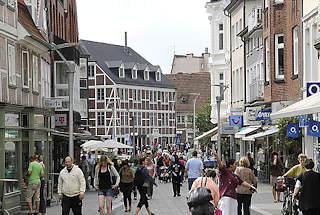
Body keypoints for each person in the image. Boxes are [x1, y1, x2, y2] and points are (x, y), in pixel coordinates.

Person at [212, 151, 256, 215]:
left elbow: (242, 182)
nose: (236, 166)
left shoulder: (234, 176)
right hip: (225, 197)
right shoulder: (225, 172)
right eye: (235, 164)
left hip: (233, 197)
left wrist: (251, 187)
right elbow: (220, 164)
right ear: (231, 165)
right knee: (225, 213)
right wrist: (216, 156)